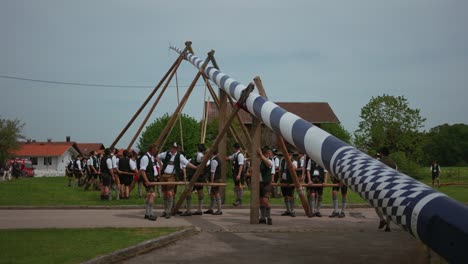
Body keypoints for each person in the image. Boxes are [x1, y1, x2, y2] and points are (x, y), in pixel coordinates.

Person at [157, 142, 197, 219]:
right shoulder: (166, 153)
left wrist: (195, 167)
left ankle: (169, 211)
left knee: (170, 193)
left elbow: (187, 163)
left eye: (173, 147)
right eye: (171, 147)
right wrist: (161, 165)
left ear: (176, 149)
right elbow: (157, 157)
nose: (172, 149)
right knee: (165, 193)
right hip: (163, 176)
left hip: (171, 176)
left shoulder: (179, 156)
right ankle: (165, 211)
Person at [376, 147, 397, 232]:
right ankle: (388, 226)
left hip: (381, 186)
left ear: (381, 153)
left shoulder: (379, 162)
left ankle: (382, 219)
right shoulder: (394, 163)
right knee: (388, 207)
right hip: (391, 186)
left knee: (376, 205)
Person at [183, 144, 207, 216]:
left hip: (195, 176)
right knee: (200, 192)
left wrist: (200, 166)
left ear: (198, 148)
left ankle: (189, 210)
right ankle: (199, 209)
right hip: (199, 176)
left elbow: (204, 162)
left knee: (189, 191)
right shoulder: (199, 155)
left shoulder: (199, 155)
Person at [139, 144, 159, 221]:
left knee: (149, 195)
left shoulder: (151, 157)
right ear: (152, 149)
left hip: (151, 179)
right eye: (156, 149)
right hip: (148, 180)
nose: (156, 151)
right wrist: (146, 180)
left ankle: (147, 214)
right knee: (152, 195)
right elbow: (142, 170)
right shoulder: (145, 158)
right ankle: (150, 213)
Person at [258, 146, 274, 225]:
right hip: (259, 182)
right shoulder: (260, 160)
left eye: (268, 152)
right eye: (267, 152)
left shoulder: (270, 160)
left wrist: (261, 155)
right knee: (260, 201)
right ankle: (262, 217)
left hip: (266, 183)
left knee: (265, 200)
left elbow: (268, 164)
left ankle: (269, 217)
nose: (268, 154)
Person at [280, 150, 298, 217]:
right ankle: (288, 210)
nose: (288, 155)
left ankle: (292, 210)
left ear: (291, 155)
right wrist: (280, 177)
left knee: (290, 195)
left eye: (289, 154)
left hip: (290, 180)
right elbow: (280, 169)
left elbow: (294, 168)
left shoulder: (294, 161)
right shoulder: (282, 160)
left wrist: (289, 161)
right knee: (285, 195)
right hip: (283, 179)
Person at [207, 149, 223, 215]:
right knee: (212, 194)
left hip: (215, 179)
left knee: (216, 193)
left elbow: (212, 172)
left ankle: (219, 210)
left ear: (212, 153)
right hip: (217, 178)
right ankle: (211, 209)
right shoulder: (216, 159)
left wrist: (212, 182)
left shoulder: (214, 160)